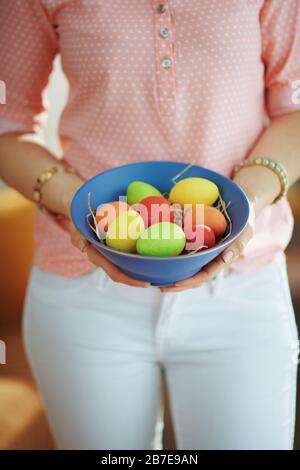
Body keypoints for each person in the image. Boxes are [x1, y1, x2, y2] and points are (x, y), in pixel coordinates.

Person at [0, 0, 300, 450]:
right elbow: (8, 123)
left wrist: (245, 206)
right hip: (82, 289)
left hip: (243, 285)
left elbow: (294, 106)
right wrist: (78, 207)